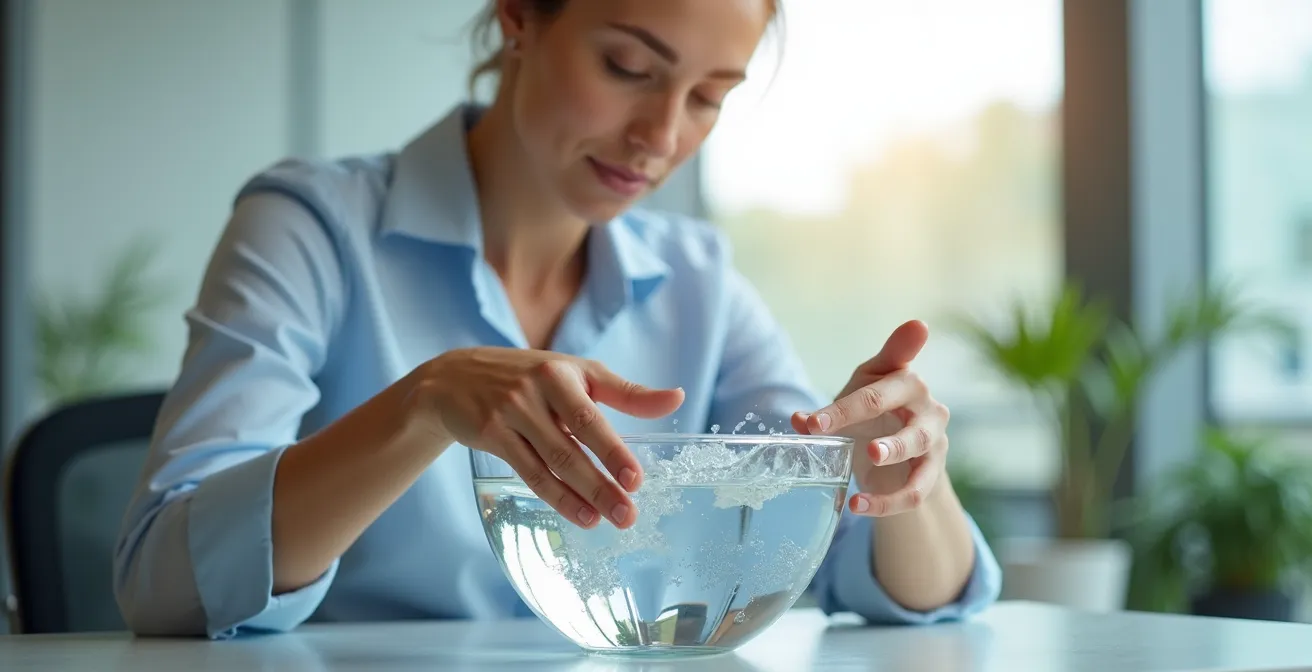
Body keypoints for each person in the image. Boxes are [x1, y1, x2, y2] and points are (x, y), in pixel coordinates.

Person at [113, 0, 1001, 639]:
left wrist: (897, 465)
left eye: (708, 97)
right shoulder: (312, 228)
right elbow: (161, 582)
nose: (660, 135)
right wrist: (424, 406)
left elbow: (884, 586)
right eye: (628, 68)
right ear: (519, 17)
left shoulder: (698, 279)